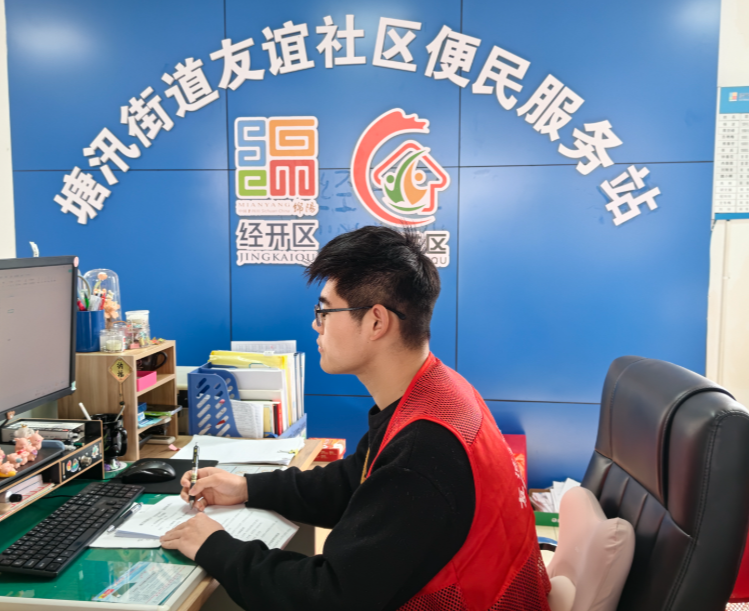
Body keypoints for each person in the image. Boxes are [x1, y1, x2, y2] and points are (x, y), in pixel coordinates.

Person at [161, 226, 550, 611]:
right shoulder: (441, 390)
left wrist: (215, 546)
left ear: (376, 322)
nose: (316, 324)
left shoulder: (421, 450)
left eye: (325, 311)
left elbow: (328, 597)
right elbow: (358, 480)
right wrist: (247, 487)